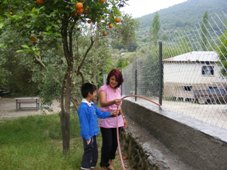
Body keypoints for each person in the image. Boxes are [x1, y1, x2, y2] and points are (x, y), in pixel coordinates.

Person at [78, 82, 118, 170]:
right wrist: (87, 137)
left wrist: (111, 114)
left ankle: (91, 166)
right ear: (89, 94)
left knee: (94, 152)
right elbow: (84, 124)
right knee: (88, 151)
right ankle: (85, 167)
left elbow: (100, 114)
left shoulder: (92, 105)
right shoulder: (83, 108)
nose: (96, 94)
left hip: (94, 134)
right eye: (95, 92)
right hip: (88, 135)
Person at [98, 69, 126, 170]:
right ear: (109, 78)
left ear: (119, 82)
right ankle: (103, 165)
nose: (113, 82)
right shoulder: (103, 88)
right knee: (108, 144)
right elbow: (102, 103)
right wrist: (113, 101)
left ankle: (109, 162)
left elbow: (119, 106)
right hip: (106, 120)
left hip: (117, 120)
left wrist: (123, 117)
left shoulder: (118, 90)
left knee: (114, 144)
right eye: (112, 79)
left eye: (116, 80)